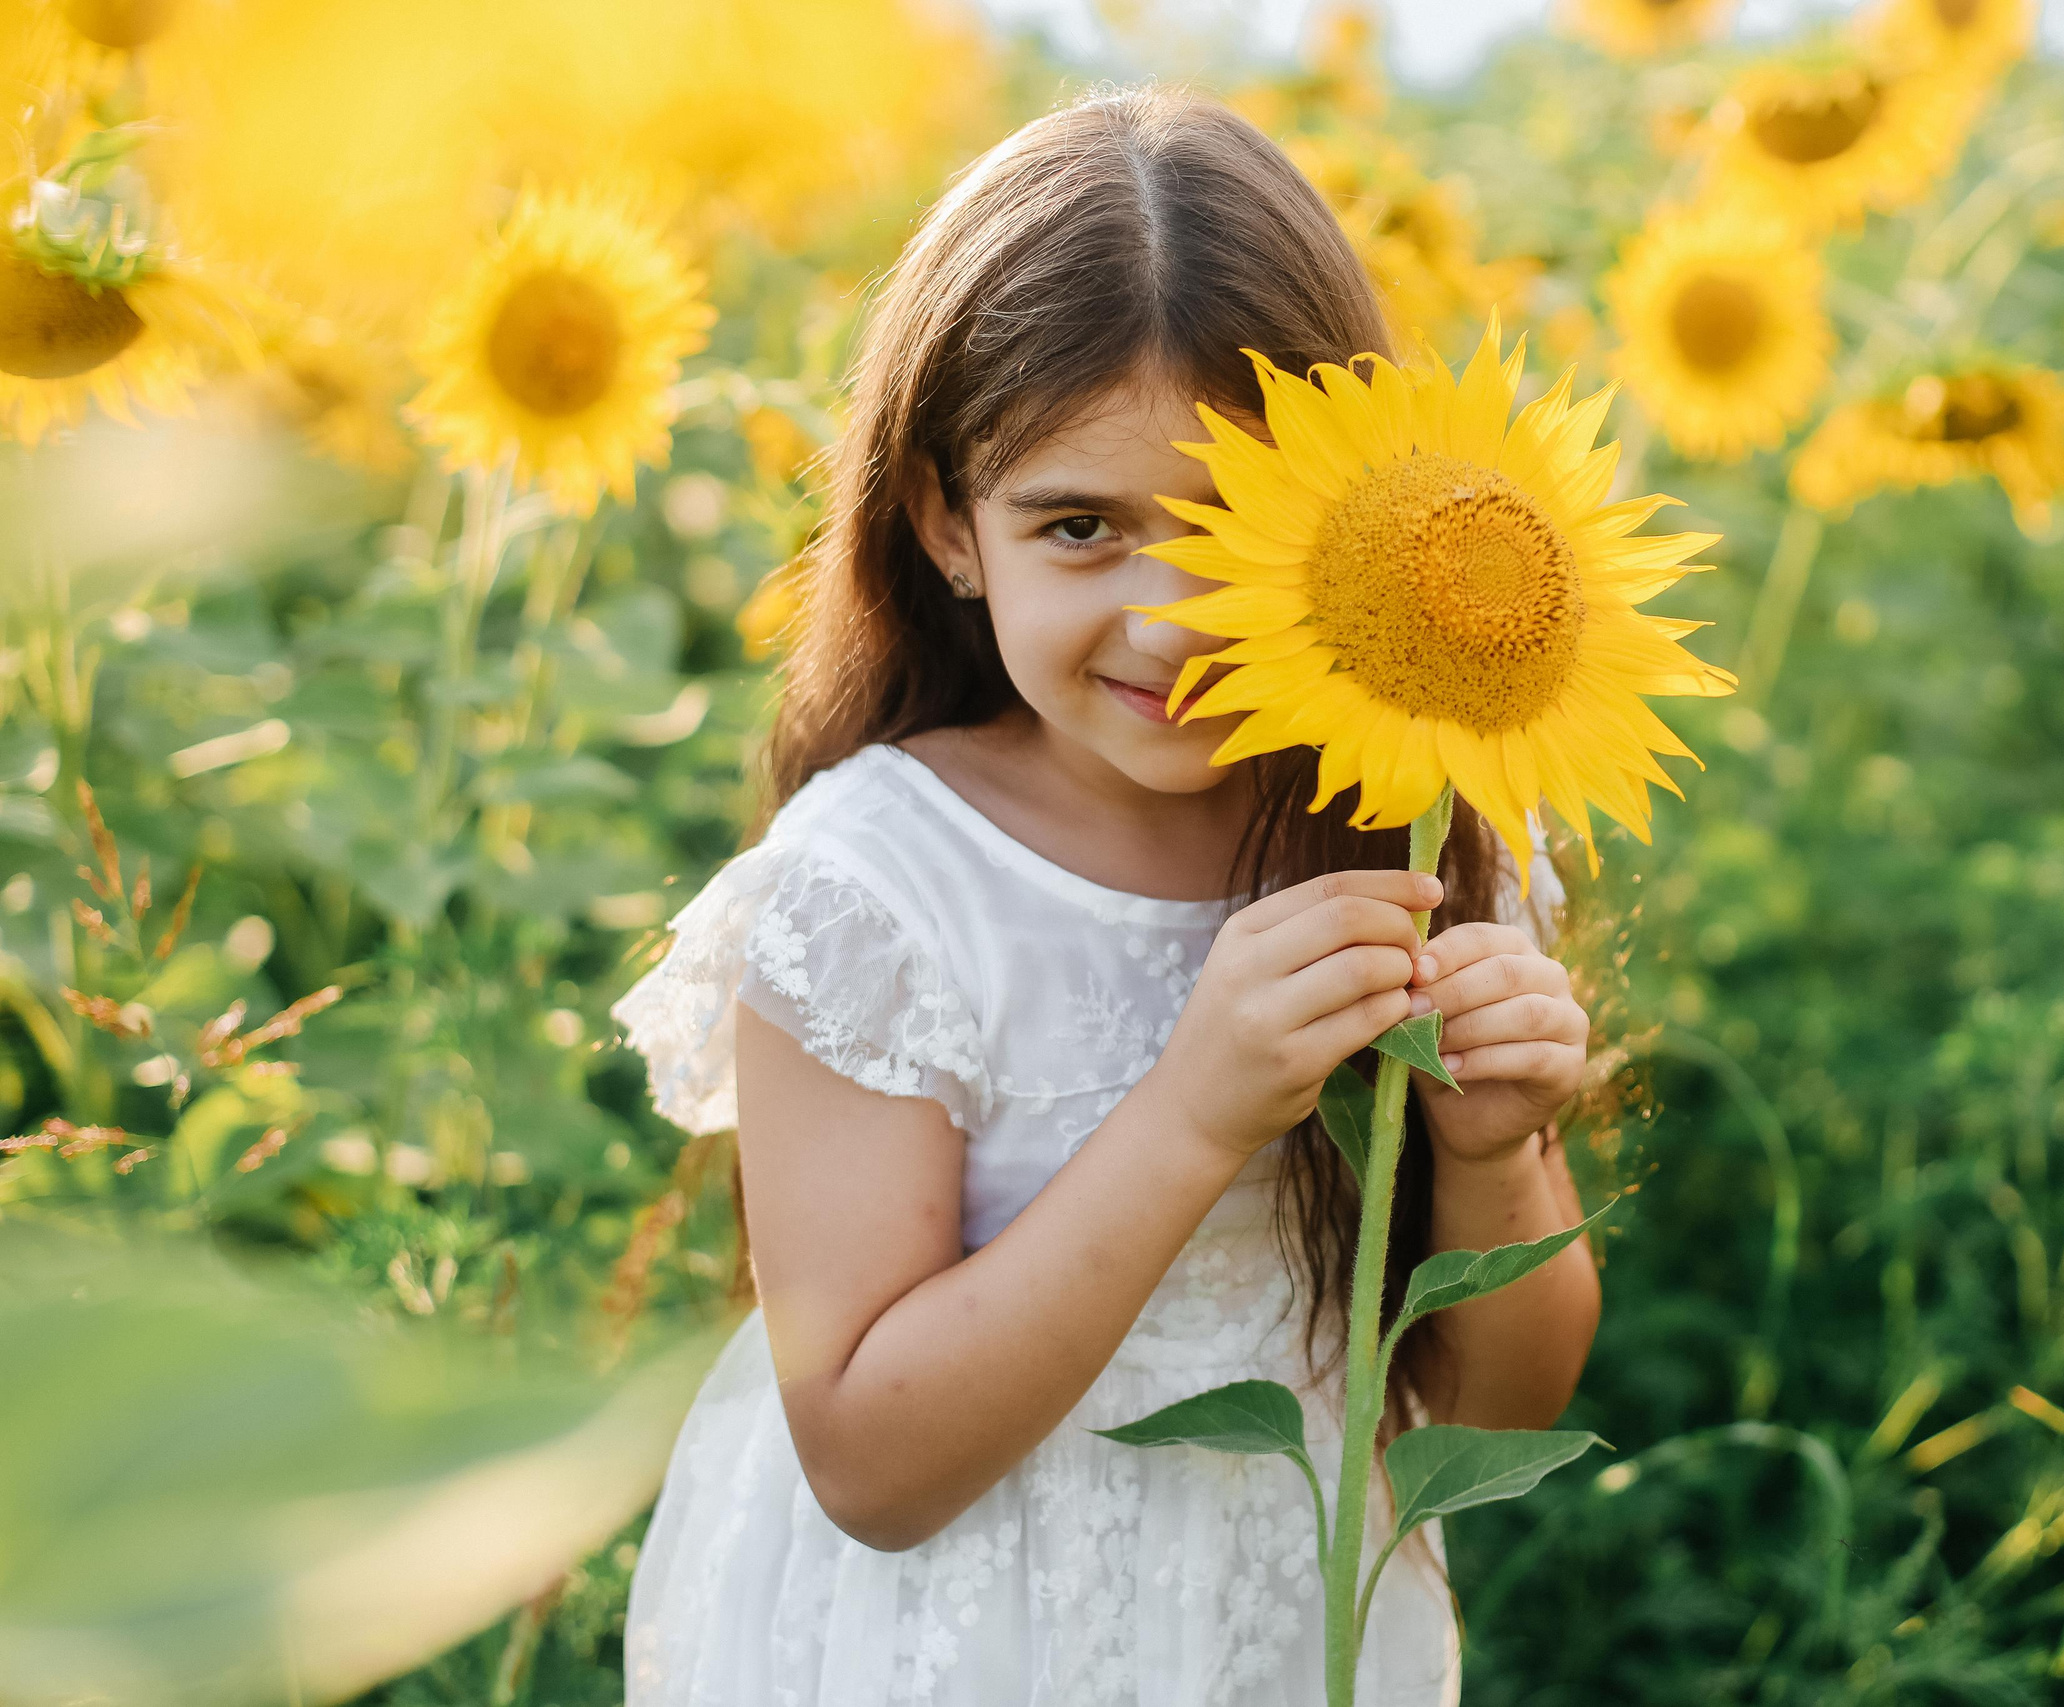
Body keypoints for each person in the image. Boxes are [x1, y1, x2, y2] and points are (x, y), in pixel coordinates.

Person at [607, 85, 1601, 1706]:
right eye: (1080, 527)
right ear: (948, 524)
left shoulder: (1418, 830)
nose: (1170, 620)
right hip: (952, 1645)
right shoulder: (877, 891)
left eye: (1235, 527)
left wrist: (1497, 1157)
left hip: (1285, 1625)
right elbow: (869, 1464)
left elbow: (1500, 1408)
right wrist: (1196, 1111)